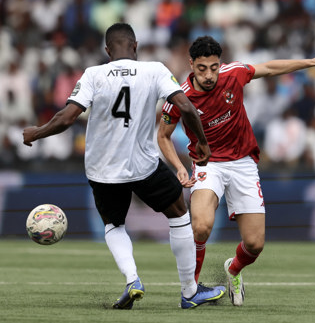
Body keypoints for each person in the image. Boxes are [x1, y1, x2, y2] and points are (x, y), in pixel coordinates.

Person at [23, 23, 225, 310]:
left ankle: (133, 280)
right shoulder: (154, 70)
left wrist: (36, 133)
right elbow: (187, 107)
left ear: (107, 51)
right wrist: (202, 143)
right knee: (179, 213)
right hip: (142, 166)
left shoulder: (93, 74)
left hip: (102, 170)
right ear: (135, 46)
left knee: (114, 224)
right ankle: (189, 292)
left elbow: (67, 118)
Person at [157, 35, 315, 306]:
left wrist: (310, 62)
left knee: (255, 244)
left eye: (214, 67)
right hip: (208, 164)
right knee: (200, 226)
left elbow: (269, 68)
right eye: (202, 68)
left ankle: (233, 270)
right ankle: (191, 291)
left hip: (243, 162)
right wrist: (179, 168)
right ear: (191, 65)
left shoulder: (233, 74)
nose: (209, 74)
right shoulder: (179, 96)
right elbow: (163, 135)